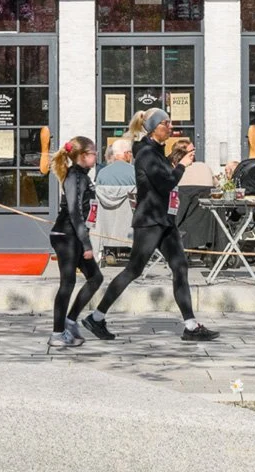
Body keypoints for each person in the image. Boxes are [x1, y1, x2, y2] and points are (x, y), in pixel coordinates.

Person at [82, 108, 219, 343]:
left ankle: (191, 326)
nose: (171, 128)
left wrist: (177, 158)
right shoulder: (145, 153)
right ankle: (96, 317)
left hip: (164, 221)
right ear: (155, 128)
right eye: (166, 124)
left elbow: (164, 173)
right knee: (132, 270)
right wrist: (183, 165)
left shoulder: (155, 151)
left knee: (180, 267)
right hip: (150, 221)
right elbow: (166, 184)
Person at [47, 138, 103, 348]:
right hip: (65, 236)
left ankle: (70, 320)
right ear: (82, 156)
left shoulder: (83, 177)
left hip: (75, 236)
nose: (96, 156)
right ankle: (57, 333)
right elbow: (75, 213)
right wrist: (87, 245)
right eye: (93, 152)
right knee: (67, 283)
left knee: (95, 278)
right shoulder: (74, 177)